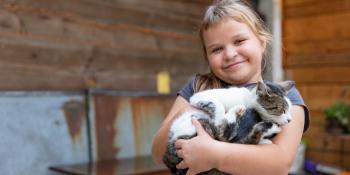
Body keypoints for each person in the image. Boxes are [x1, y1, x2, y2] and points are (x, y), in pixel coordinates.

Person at [151, 0, 309, 174]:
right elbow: (158, 153)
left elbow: (279, 164)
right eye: (217, 49)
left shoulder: (284, 98)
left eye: (239, 41)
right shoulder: (197, 88)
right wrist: (188, 112)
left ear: (262, 42)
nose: (230, 54)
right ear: (207, 56)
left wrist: (213, 155)